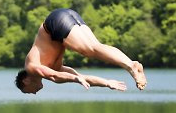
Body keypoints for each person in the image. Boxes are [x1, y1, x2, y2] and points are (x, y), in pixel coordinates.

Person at [15, 8, 147, 94]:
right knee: (95, 47)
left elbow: (55, 76)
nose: (33, 93)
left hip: (53, 25)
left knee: (89, 51)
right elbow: (82, 77)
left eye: (28, 91)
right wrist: (107, 83)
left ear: (25, 81)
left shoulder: (31, 67)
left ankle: (131, 66)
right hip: (66, 15)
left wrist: (75, 78)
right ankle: (131, 64)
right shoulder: (57, 69)